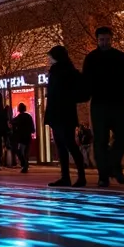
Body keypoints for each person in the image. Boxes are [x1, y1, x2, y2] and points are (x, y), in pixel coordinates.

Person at [82, 26, 124, 187]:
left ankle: (113, 165)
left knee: (122, 137)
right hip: (98, 104)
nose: (104, 42)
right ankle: (104, 175)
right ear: (97, 40)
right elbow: (86, 81)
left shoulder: (120, 57)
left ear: (111, 39)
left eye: (107, 39)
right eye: (101, 40)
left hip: (117, 102)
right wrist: (84, 96)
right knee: (100, 141)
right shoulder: (91, 58)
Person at [45, 45, 88, 187]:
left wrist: (67, 98)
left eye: (50, 56)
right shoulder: (58, 70)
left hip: (63, 113)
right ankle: (66, 177)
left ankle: (80, 176)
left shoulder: (67, 71)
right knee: (62, 145)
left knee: (69, 144)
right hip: (58, 113)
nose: (49, 59)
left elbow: (81, 91)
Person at [11, 103, 36, 173]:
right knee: (26, 152)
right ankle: (25, 165)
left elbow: (13, 122)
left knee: (19, 150)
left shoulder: (19, 117)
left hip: (21, 137)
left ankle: (24, 164)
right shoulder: (28, 116)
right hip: (27, 136)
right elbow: (32, 128)